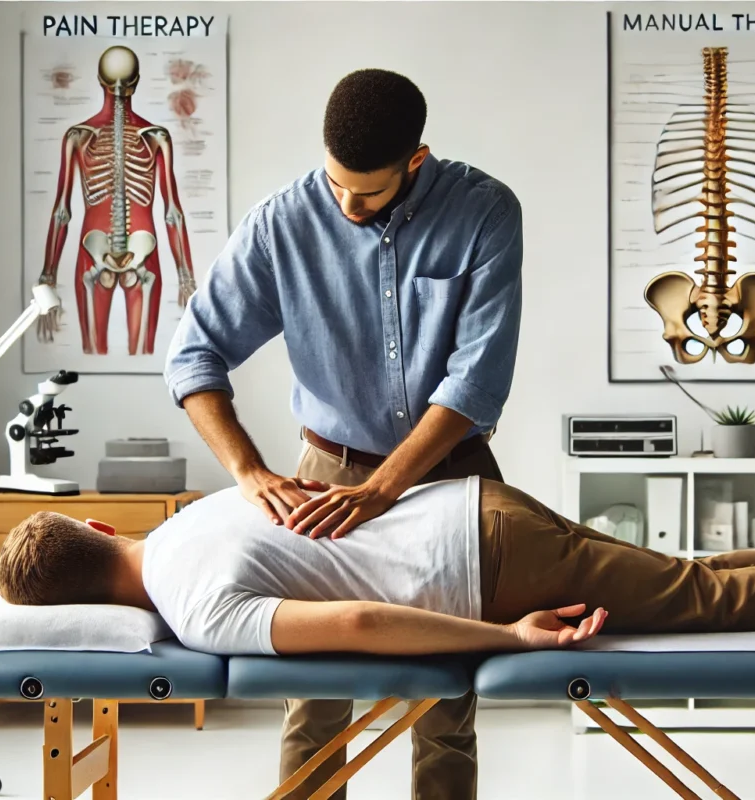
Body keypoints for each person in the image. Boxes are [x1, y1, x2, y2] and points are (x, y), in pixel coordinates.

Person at [162, 69, 523, 799]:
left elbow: (476, 381)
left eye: (367, 192)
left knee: (445, 702)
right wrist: (248, 470)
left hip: (448, 475)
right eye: (335, 186)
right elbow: (193, 353)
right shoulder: (282, 224)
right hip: (325, 478)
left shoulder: (485, 211)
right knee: (315, 707)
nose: (346, 205)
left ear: (416, 161)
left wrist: (386, 489)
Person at [0, 477, 755, 711]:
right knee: (681, 574)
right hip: (467, 506)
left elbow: (354, 621)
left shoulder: (190, 606)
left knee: (697, 594)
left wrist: (496, 632)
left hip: (483, 570)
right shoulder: (193, 514)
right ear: (96, 528)